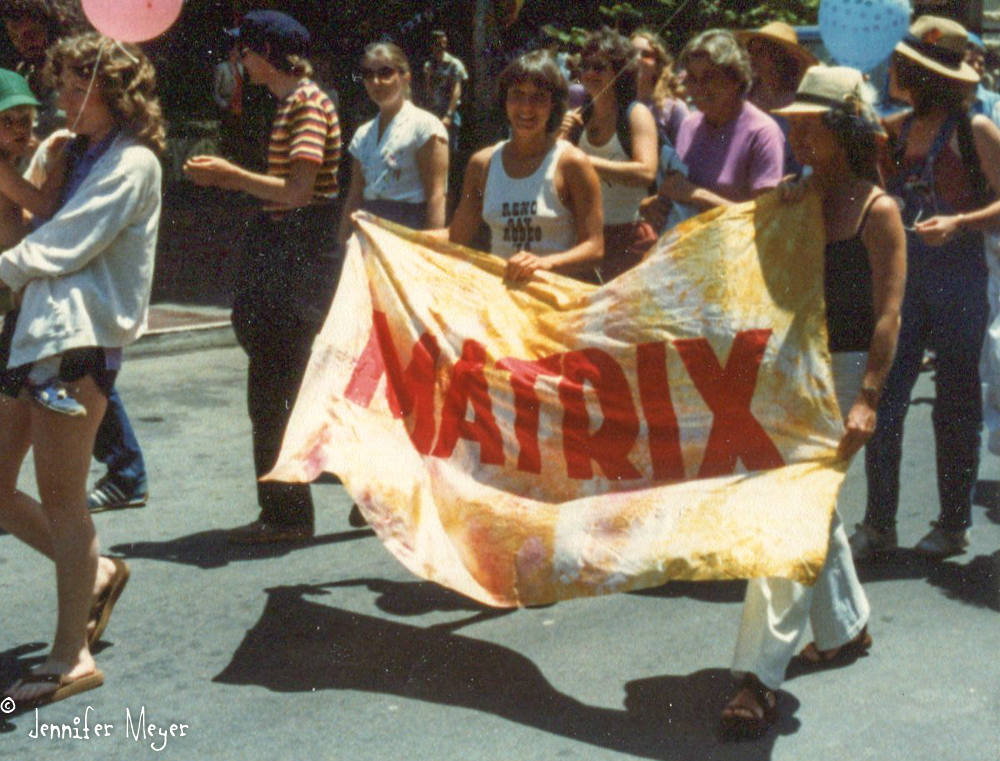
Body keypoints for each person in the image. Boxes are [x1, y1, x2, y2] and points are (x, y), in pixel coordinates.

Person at [721, 65, 906, 737]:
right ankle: (847, 625)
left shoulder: (876, 210)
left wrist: (868, 399)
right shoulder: (791, 200)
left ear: (843, 129)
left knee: (789, 515)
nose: (797, 132)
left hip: (847, 374)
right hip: (789, 372)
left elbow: (888, 315)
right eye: (793, 121)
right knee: (812, 512)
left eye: (811, 123)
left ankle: (754, 677)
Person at [0, 31, 164, 707]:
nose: (59, 99)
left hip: (79, 342)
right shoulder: (69, 152)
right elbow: (25, 227)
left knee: (65, 498)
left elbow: (61, 246)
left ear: (115, 93)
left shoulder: (134, 164)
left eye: (75, 86)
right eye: (59, 85)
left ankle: (72, 655)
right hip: (30, 331)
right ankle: (93, 571)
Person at [184, 10, 342, 545]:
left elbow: (297, 190)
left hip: (298, 250)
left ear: (269, 54)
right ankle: (286, 504)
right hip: (284, 248)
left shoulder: (308, 105)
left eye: (246, 51)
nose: (240, 61)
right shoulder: (288, 104)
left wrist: (230, 178)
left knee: (277, 386)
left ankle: (290, 512)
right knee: (277, 384)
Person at [852, 16, 1000, 560]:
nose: (895, 70)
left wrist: (960, 222)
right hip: (903, 279)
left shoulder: (976, 130)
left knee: (956, 402)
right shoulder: (894, 128)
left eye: (905, 63)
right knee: (884, 396)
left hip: (960, 279)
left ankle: (954, 522)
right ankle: (878, 522)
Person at [436, 50, 603, 283]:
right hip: (503, 302)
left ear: (554, 104)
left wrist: (545, 263)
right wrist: (389, 236)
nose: (526, 107)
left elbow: (595, 248)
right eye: (517, 95)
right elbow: (456, 237)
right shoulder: (482, 164)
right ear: (505, 100)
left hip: (556, 302)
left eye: (538, 97)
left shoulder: (571, 164)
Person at [0, 67, 81, 416]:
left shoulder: (11, 155)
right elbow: (43, 203)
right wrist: (66, 157)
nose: (20, 129)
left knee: (20, 342)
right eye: (8, 121)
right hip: (8, 268)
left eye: (27, 119)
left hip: (13, 266)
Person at [648, 30, 785, 231]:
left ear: (736, 79)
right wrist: (653, 206)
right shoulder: (689, 125)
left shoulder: (763, 132)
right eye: (692, 78)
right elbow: (679, 194)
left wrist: (697, 195)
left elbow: (766, 219)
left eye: (709, 77)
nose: (698, 88)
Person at [559, 28, 657, 282]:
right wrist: (559, 139)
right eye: (587, 66)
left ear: (619, 72)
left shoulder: (635, 114)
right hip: (585, 240)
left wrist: (585, 161)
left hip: (629, 239)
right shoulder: (579, 118)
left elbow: (646, 172)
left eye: (600, 67)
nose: (591, 73)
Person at [337, 42, 448, 245]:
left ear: (405, 77)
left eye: (385, 73)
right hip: (367, 231)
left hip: (408, 230)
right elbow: (354, 195)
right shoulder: (363, 135)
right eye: (368, 75)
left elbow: (436, 196)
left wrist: (432, 249)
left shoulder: (425, 126)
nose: (376, 82)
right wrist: (343, 242)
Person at [737, 21, 817, 174]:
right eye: (750, 50)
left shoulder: (802, 101)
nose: (752, 57)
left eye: (761, 51)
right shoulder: (744, 94)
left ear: (780, 55)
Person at [631, 29, 689, 149]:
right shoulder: (617, 102)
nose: (637, 59)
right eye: (631, 54)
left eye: (646, 54)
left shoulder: (674, 108)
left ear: (658, 65)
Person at [422, 30, 467, 154]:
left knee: (450, 150)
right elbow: (428, 88)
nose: (442, 46)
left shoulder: (454, 64)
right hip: (434, 111)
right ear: (432, 45)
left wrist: (448, 115)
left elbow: (457, 91)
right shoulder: (429, 65)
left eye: (444, 43)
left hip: (449, 112)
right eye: (438, 43)